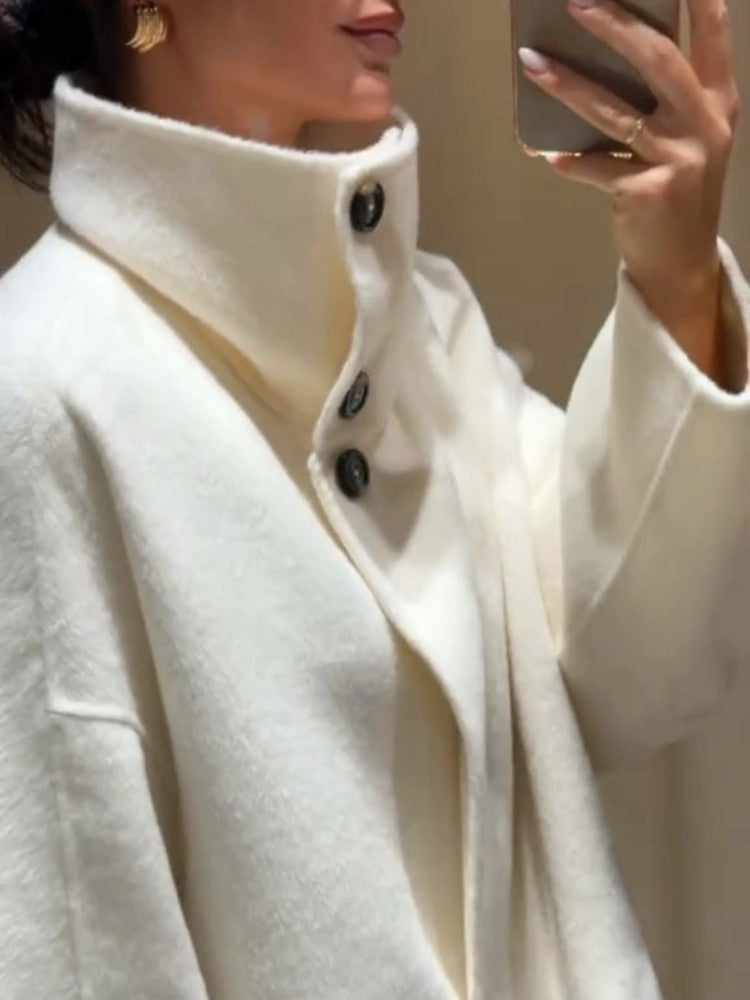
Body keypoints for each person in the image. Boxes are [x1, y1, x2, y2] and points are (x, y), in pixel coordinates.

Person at [0, 0, 748, 997]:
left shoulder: (424, 328)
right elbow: (77, 953)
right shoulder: (43, 388)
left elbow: (631, 672)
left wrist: (679, 278)